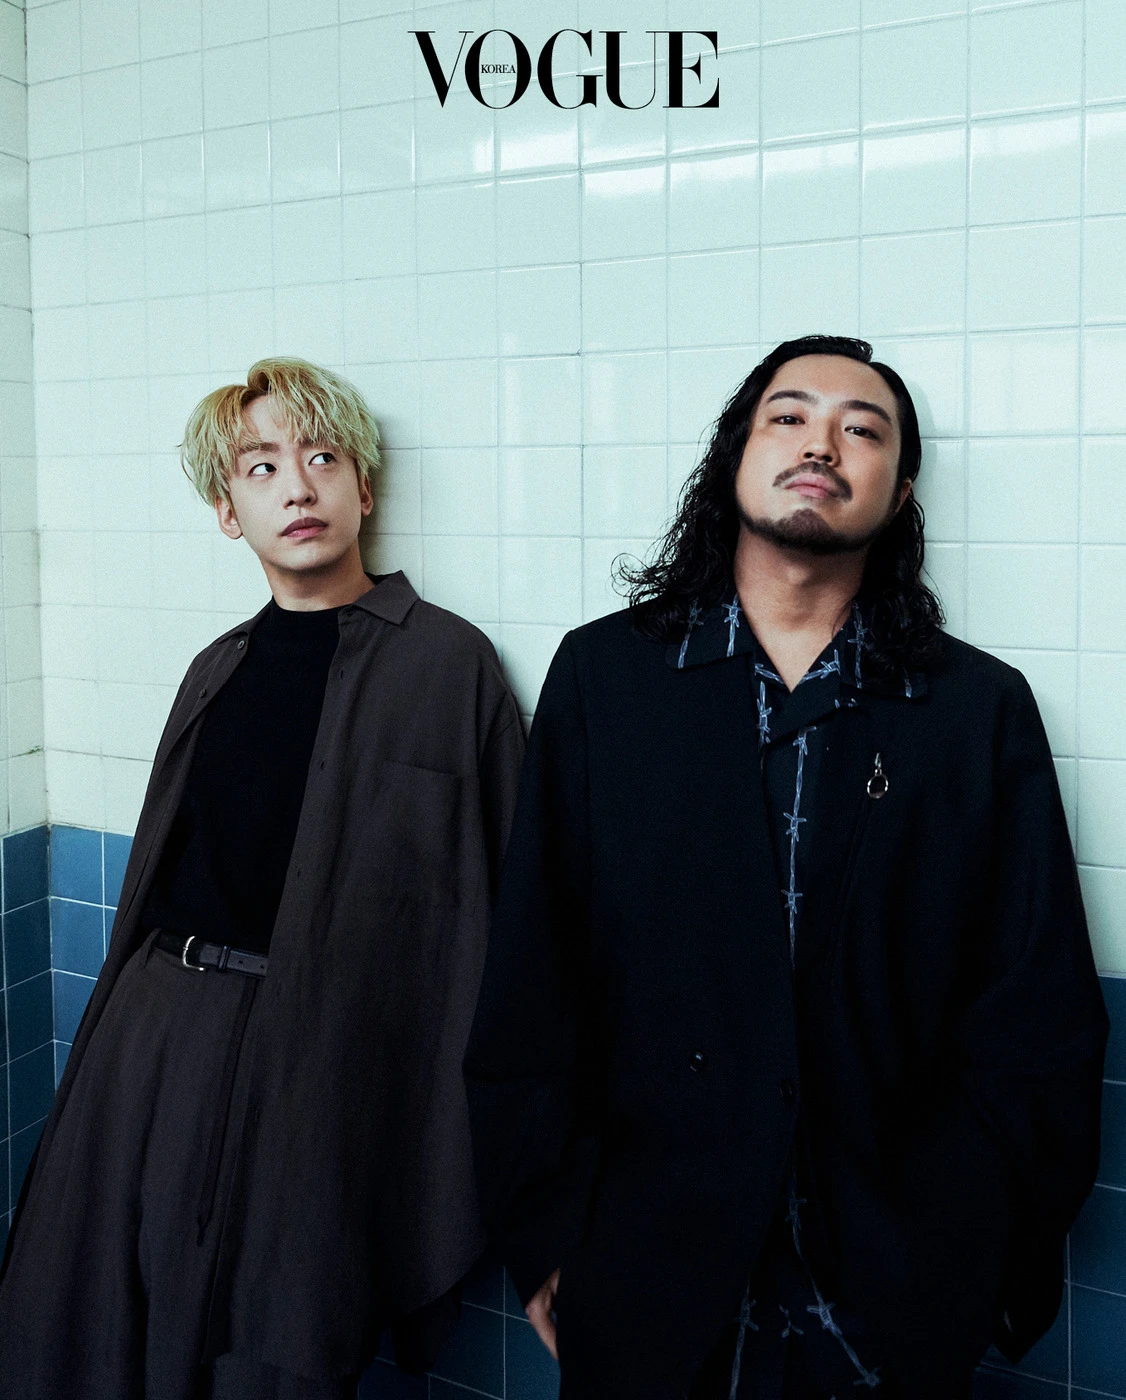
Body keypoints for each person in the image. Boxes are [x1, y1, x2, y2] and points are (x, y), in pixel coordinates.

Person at [465, 335, 1108, 1400]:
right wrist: (545, 1234)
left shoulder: (974, 710)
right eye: (789, 416)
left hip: (895, 1295)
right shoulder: (606, 680)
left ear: (900, 494)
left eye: (862, 430)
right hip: (648, 1279)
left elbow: (1038, 1013)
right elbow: (534, 975)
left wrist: (982, 1259)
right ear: (735, 455)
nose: (822, 444)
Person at [0, 358, 524, 1400]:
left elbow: (505, 910)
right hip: (161, 1028)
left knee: (282, 1328)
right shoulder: (218, 665)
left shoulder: (449, 665)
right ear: (227, 511)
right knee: (109, 1312)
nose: (297, 486)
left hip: (321, 1054)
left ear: (363, 486)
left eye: (322, 457)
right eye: (262, 467)